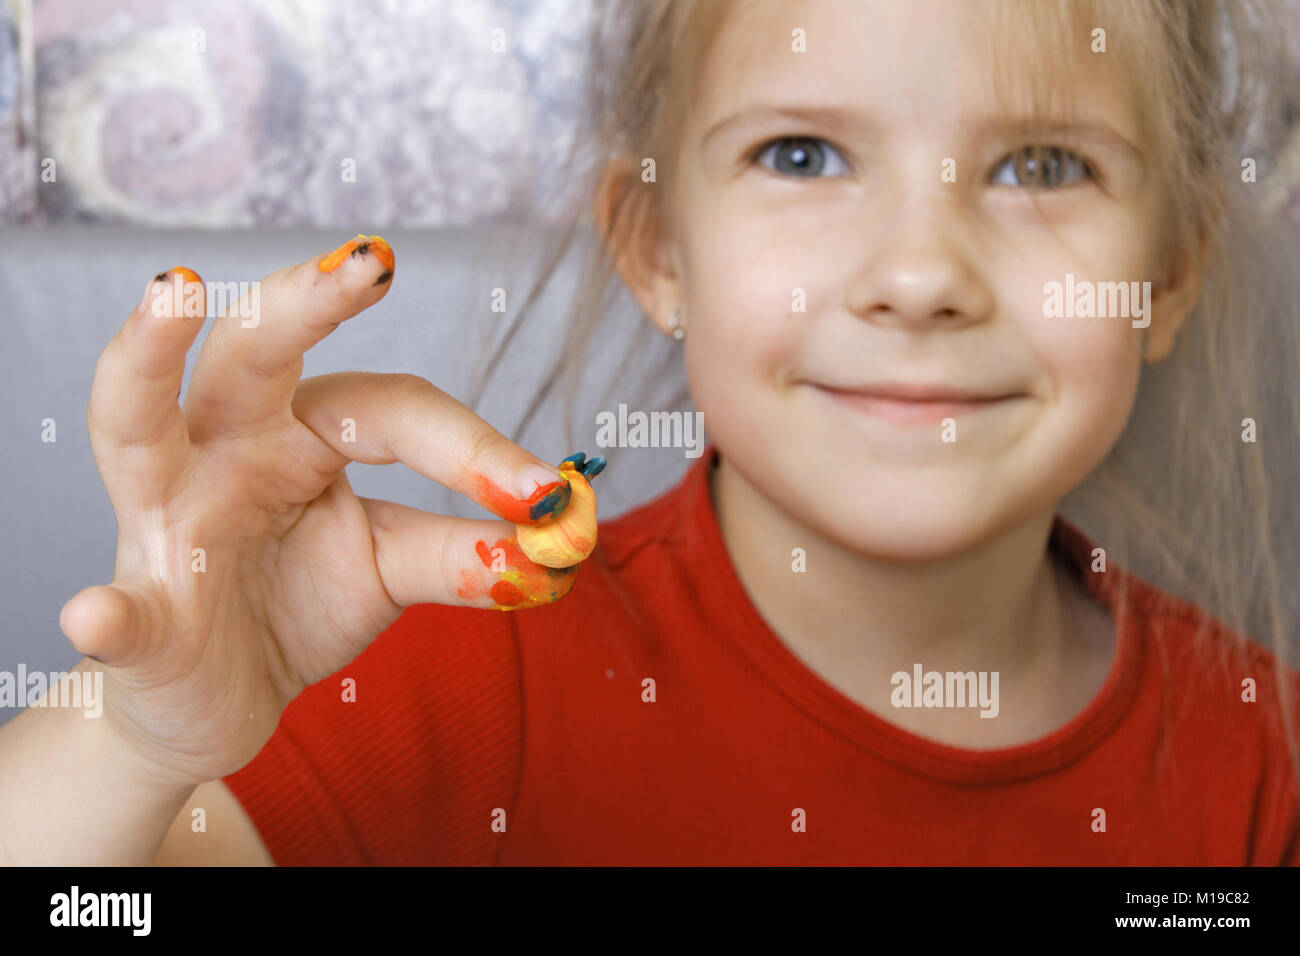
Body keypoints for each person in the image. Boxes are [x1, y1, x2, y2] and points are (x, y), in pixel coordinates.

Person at [3, 0, 1298, 865]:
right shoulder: (457, 682)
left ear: (1170, 272)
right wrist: (131, 745)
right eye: (801, 155)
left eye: (1041, 167)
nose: (919, 275)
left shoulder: (1261, 769)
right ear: (657, 248)